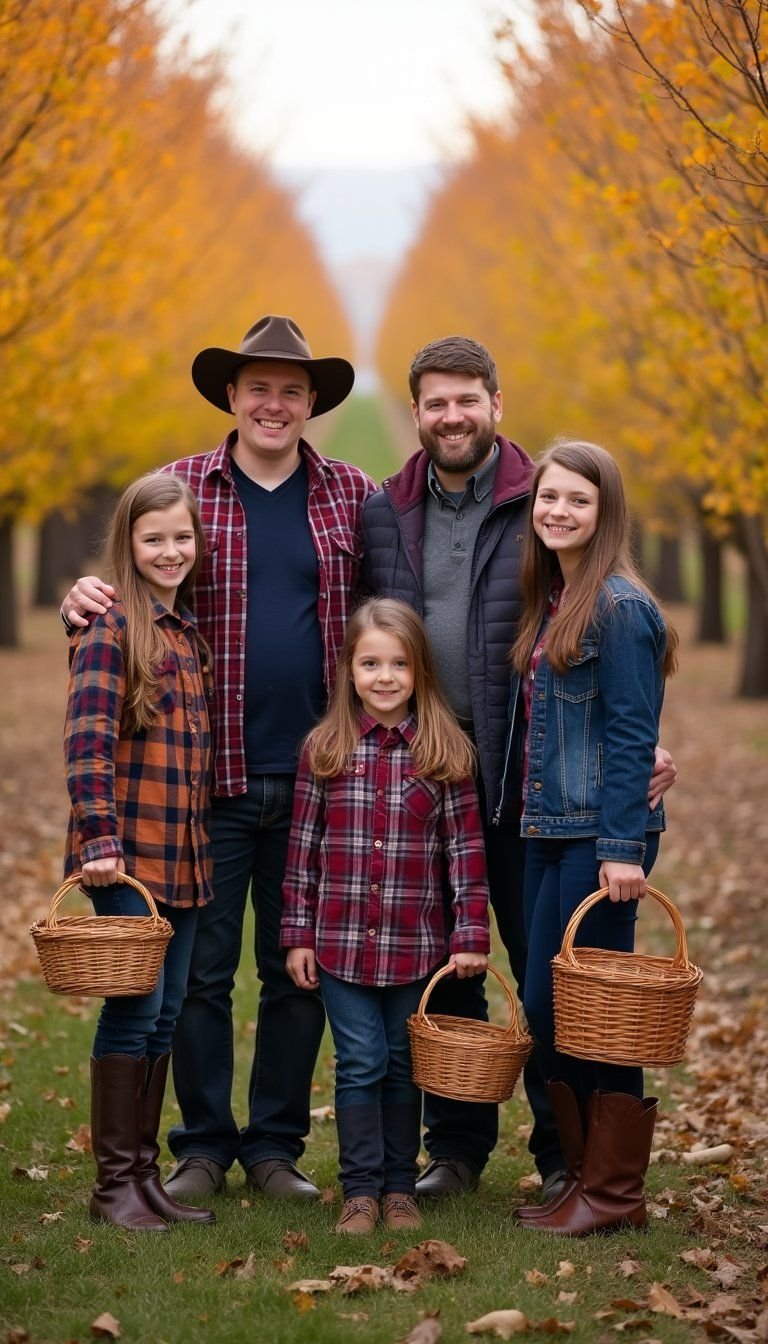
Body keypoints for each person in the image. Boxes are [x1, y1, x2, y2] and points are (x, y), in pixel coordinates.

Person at [61, 316, 376, 1201]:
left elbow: (392, 624)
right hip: (205, 780)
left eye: (291, 389)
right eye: (257, 388)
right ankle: (201, 1144)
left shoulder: (352, 495)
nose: (273, 404)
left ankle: (274, 1146)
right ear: (231, 397)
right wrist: (76, 602)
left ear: (311, 402)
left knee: (295, 967)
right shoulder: (180, 492)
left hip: (318, 775)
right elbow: (131, 595)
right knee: (197, 974)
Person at [360, 336, 676, 1202]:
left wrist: (632, 761)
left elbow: (608, 666)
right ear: (417, 411)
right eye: (435, 403)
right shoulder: (384, 509)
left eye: (468, 399)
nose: (451, 416)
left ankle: (564, 1159)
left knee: (558, 976)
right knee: (453, 961)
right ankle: (455, 1147)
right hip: (429, 776)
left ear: (496, 403)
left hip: (525, 781)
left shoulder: (537, 496)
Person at [509, 438, 678, 1235]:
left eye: (578, 500)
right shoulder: (559, 599)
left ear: (605, 512)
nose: (559, 511)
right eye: (549, 497)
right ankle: (582, 1181)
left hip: (599, 842)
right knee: (562, 1009)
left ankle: (611, 1194)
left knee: (584, 1007)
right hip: (551, 829)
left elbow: (633, 730)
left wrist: (620, 845)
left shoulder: (620, 607)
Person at [280, 599, 490, 1235]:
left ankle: (400, 1187)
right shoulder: (325, 749)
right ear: (348, 670)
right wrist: (296, 935)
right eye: (370, 663)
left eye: (399, 664)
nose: (385, 677)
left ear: (420, 671)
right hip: (339, 946)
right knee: (361, 1061)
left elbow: (466, 853)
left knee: (402, 1063)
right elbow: (301, 853)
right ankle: (361, 1191)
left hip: (415, 948)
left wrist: (471, 934)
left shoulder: (445, 753)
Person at [64, 473, 215, 1231]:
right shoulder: (110, 626)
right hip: (123, 857)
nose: (170, 551)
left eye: (182, 538)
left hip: (180, 859)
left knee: (165, 1018)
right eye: (153, 539)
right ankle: (113, 1186)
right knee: (134, 1011)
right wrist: (98, 839)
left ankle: (145, 1179)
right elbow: (87, 743)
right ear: (127, 542)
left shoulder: (183, 633)